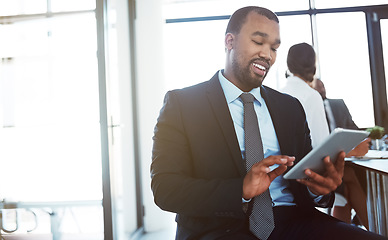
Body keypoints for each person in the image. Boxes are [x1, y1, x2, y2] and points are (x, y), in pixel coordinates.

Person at [151, 6, 387, 240]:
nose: (268, 54)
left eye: (274, 47)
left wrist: (318, 189)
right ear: (229, 41)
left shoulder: (290, 108)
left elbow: (305, 175)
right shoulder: (183, 104)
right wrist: (241, 189)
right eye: (258, 42)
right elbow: (166, 189)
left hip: (296, 221)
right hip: (219, 228)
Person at [312, 78, 371, 229]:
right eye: (317, 87)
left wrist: (363, 138)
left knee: (348, 182)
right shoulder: (309, 106)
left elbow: (353, 128)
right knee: (348, 179)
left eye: (322, 86)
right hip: (327, 164)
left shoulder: (338, 104)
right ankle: (374, 230)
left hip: (345, 162)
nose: (321, 89)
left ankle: (368, 230)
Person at [279, 43, 330, 149]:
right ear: (313, 65)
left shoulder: (278, 95)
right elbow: (322, 145)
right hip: (307, 164)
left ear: (289, 65)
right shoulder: (312, 96)